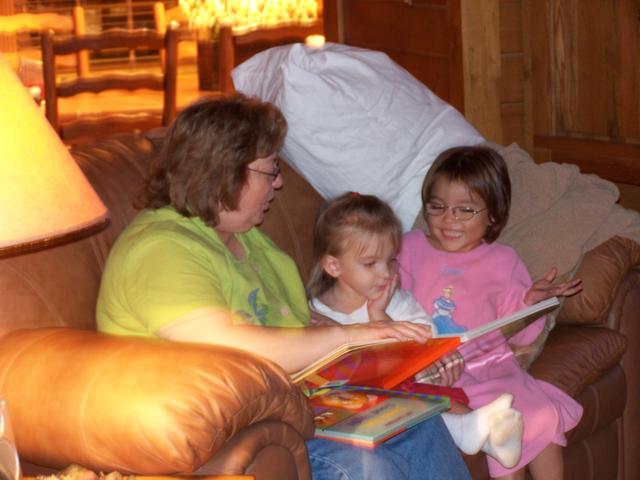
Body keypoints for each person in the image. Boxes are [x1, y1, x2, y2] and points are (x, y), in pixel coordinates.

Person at [95, 94, 471, 480]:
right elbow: (227, 346)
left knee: (420, 423)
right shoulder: (161, 248)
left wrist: (401, 352)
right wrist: (350, 335)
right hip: (235, 434)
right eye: (270, 168)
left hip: (306, 411)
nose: (279, 181)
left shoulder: (252, 242)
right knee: (365, 465)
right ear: (226, 170)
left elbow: (300, 328)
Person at [397, 146, 584, 480]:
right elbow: (388, 303)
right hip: (437, 371)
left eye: (464, 210)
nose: (448, 219)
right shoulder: (409, 248)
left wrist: (531, 303)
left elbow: (522, 334)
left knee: (542, 412)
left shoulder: (503, 260)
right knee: (501, 428)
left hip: (494, 366)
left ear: (493, 216)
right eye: (437, 207)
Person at [306, 192, 525, 468]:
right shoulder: (315, 315)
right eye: (371, 263)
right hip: (353, 407)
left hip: (410, 394)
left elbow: (425, 346)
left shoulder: (398, 302)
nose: (385, 273)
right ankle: (469, 430)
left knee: (435, 398)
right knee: (410, 399)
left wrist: (382, 316)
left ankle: (482, 430)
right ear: (333, 265)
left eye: (390, 260)